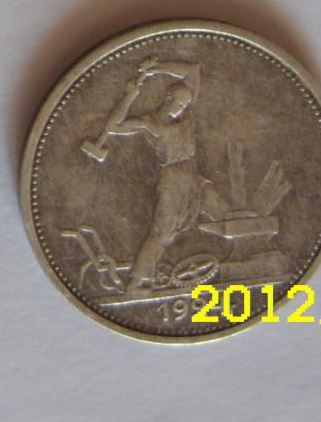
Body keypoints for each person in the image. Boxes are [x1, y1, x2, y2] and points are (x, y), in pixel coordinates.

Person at [81, 58, 224, 293]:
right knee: (162, 231)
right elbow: (114, 127)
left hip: (191, 174)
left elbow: (192, 70)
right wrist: (129, 96)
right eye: (180, 103)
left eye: (185, 104)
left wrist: (155, 69)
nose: (183, 108)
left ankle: (239, 255)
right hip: (172, 179)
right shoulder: (149, 122)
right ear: (169, 98)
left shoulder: (186, 114)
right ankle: (136, 282)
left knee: (217, 206)